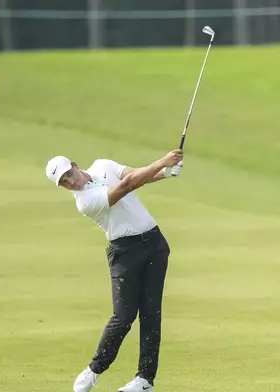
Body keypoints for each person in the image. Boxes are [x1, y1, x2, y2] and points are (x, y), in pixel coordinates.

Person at [45, 150, 184, 392]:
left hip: (155, 245)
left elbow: (137, 175)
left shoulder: (103, 165)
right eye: (64, 183)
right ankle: (94, 370)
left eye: (69, 174)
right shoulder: (84, 202)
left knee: (151, 314)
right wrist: (163, 161)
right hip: (124, 252)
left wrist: (165, 173)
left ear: (75, 165)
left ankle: (145, 380)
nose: (70, 182)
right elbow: (127, 185)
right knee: (123, 316)